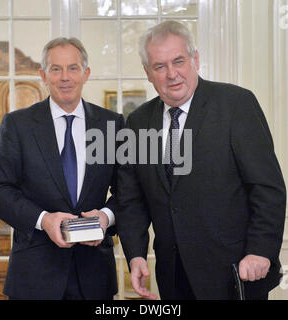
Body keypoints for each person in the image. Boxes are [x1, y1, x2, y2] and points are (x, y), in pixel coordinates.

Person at [116, 21, 286, 300]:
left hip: (235, 272)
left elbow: (267, 188)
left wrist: (260, 250)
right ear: (148, 73)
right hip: (173, 276)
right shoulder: (138, 122)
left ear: (195, 59)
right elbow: (131, 198)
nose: (172, 74)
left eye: (179, 61)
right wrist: (135, 254)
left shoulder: (236, 104)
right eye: (160, 66)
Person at [0, 37, 124, 300]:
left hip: (94, 276)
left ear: (86, 74)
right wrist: (43, 220)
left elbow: (129, 192)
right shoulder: (18, 125)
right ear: (43, 75)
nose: (65, 78)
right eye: (56, 69)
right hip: (34, 276)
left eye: (73, 68)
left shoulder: (112, 124)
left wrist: (106, 217)